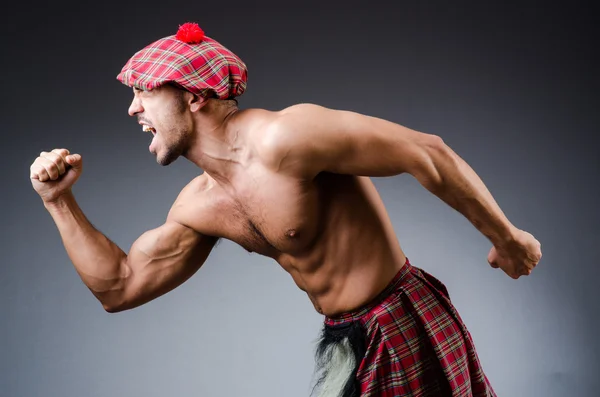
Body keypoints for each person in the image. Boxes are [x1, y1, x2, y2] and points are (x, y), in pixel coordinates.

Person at [29, 22, 541, 397]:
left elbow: (427, 153)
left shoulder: (286, 138)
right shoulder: (198, 205)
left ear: (194, 97)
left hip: (401, 318)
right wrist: (59, 200)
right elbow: (120, 287)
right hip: (347, 340)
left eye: (145, 92)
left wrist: (507, 238)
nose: (132, 108)